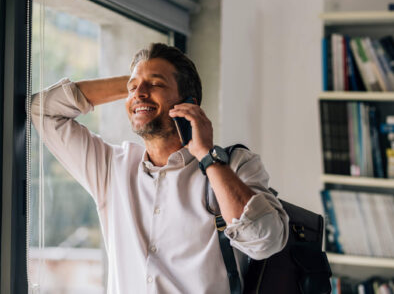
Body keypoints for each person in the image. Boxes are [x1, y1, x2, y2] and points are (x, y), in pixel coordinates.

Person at [31, 43, 289, 294]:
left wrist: (207, 157)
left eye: (156, 84)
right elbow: (42, 110)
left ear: (190, 102)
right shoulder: (111, 167)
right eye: (132, 88)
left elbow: (265, 241)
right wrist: (137, 83)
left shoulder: (234, 164)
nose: (139, 92)